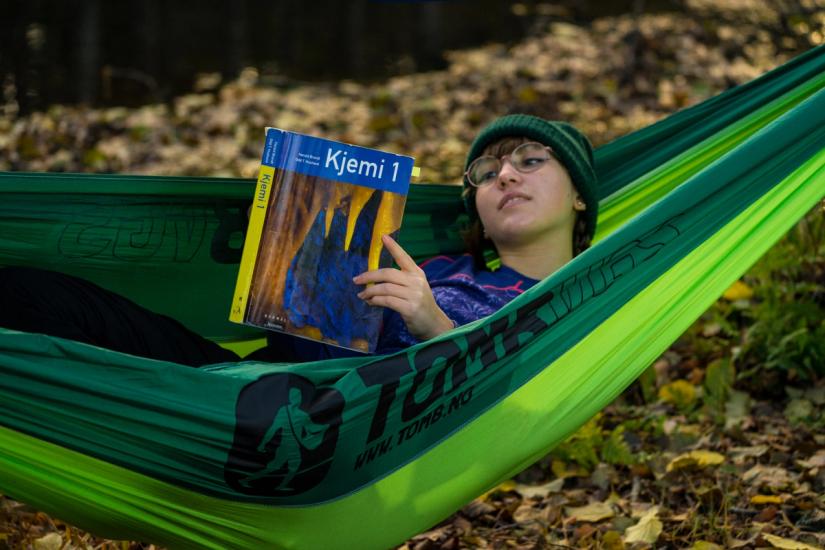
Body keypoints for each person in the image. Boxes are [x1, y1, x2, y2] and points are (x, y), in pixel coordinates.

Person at [0, 114, 598, 366]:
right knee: (36, 297)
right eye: (487, 174)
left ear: (580, 196)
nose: (506, 176)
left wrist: (434, 327)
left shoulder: (583, 300)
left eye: (530, 160)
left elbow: (508, 394)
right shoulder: (435, 261)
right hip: (228, 384)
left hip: (309, 430)